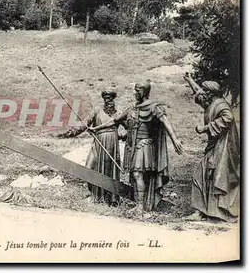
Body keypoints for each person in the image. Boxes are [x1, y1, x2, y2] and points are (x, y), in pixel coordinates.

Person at [89, 80, 184, 214]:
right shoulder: (132, 108)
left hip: (145, 145)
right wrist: (97, 128)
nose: (135, 92)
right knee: (136, 176)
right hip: (134, 146)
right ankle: (142, 204)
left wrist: (175, 140)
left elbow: (165, 122)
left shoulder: (154, 107)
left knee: (138, 174)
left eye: (138, 90)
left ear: (145, 91)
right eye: (135, 89)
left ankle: (140, 207)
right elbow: (114, 121)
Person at [183, 73, 240, 222]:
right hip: (214, 145)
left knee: (212, 176)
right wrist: (190, 80)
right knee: (203, 175)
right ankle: (202, 211)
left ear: (210, 93)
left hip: (224, 147)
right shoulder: (210, 102)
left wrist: (206, 128)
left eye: (204, 90)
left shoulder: (221, 105)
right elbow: (198, 92)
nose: (201, 93)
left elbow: (228, 118)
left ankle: (217, 211)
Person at [57, 88, 124, 206]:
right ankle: (95, 195)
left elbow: (130, 127)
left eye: (110, 98)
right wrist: (70, 132)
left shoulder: (118, 113)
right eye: (106, 98)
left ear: (113, 99)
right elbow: (84, 124)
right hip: (98, 143)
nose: (108, 101)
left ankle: (110, 200)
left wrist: (123, 135)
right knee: (90, 167)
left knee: (109, 171)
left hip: (112, 145)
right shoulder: (97, 111)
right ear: (103, 99)